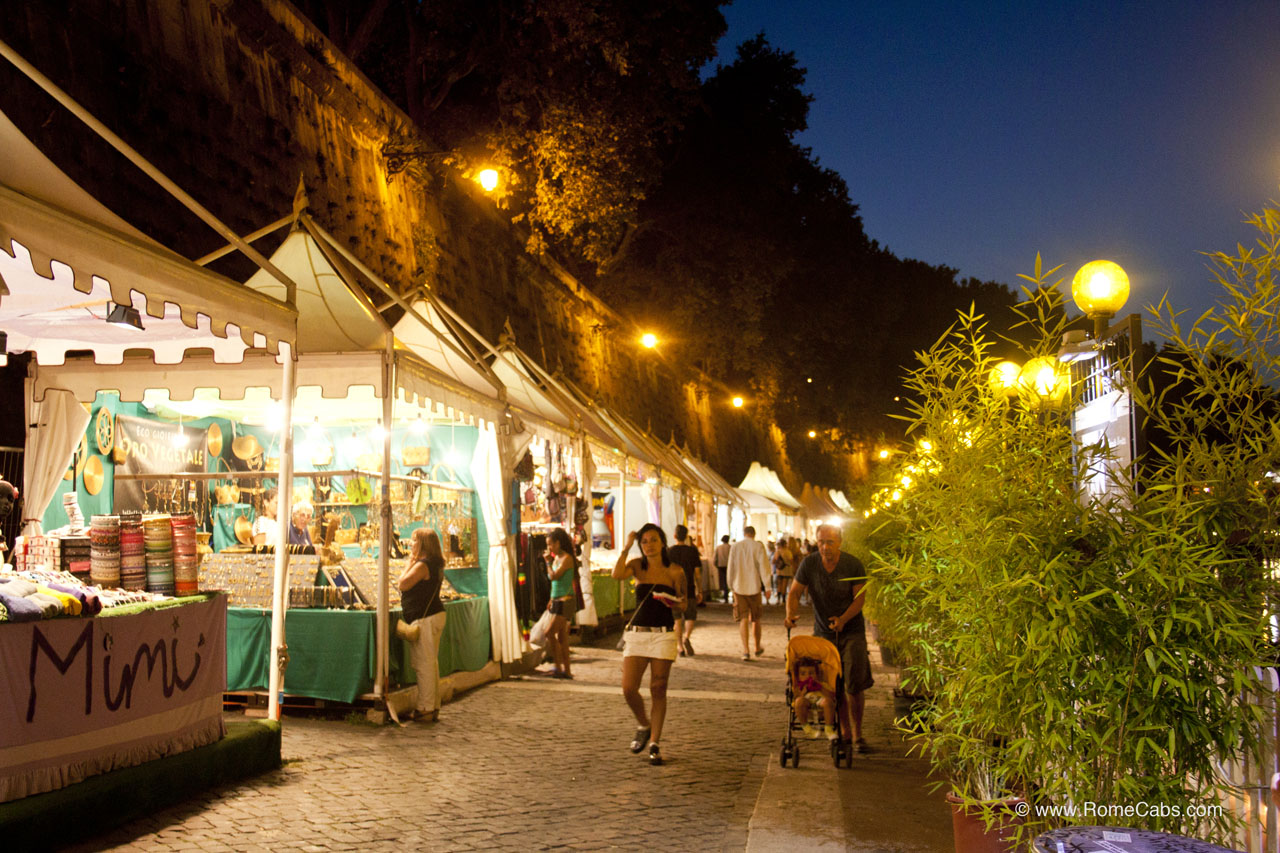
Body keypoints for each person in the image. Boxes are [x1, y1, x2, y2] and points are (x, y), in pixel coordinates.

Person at [785, 523, 873, 753]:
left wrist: (843, 619)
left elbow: (860, 599)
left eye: (830, 542)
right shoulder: (810, 563)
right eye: (821, 542)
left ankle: (858, 733)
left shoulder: (852, 564)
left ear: (840, 543)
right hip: (824, 633)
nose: (825, 547)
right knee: (833, 684)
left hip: (851, 631)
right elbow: (794, 592)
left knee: (853, 684)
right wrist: (790, 614)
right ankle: (844, 732)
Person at [613, 523, 687, 766]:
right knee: (628, 688)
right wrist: (625, 547)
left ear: (663, 542)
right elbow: (616, 575)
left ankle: (655, 742)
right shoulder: (636, 566)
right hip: (638, 634)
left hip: (663, 634)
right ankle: (643, 724)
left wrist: (673, 603)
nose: (649, 545)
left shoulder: (676, 571)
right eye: (644, 541)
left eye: (653, 540)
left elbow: (684, 604)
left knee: (658, 686)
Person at [398, 528, 447, 721]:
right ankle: (433, 705)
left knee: (423, 664)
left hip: (425, 618)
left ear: (423, 544)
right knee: (431, 663)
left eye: (414, 541)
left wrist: (409, 564)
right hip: (434, 615)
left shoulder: (423, 565)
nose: (411, 544)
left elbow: (403, 583)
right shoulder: (435, 563)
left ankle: (425, 708)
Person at [727, 526, 771, 661]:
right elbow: (764, 567)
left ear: (744, 533)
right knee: (756, 619)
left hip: (739, 587)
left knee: (743, 618)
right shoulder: (758, 546)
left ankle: (746, 650)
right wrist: (767, 587)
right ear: (754, 534)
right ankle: (757, 646)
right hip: (754, 587)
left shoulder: (735, 547)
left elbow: (731, 567)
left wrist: (730, 585)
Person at [543, 527, 576, 679]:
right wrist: (551, 598)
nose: (549, 548)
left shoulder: (567, 559)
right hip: (557, 600)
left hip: (565, 602)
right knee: (562, 638)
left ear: (558, 543)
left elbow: (554, 577)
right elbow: (555, 584)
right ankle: (565, 670)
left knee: (548, 632)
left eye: (550, 544)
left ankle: (558, 666)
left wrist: (548, 564)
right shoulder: (557, 558)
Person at [668, 524, 702, 656]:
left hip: (674, 589)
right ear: (686, 536)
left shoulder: (669, 551)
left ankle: (680, 646)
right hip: (690, 588)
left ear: (675, 536)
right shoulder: (692, 551)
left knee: (677, 619)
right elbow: (697, 573)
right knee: (690, 616)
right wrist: (700, 589)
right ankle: (687, 637)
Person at [792, 655, 838, 740]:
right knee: (799, 701)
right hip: (806, 711)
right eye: (803, 674)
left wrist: (820, 687)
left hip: (823, 711)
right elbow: (795, 700)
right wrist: (803, 693)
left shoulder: (823, 684)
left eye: (811, 673)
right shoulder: (799, 688)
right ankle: (807, 728)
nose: (808, 676)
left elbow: (832, 697)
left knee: (828, 701)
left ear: (817, 674)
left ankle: (828, 729)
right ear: (798, 677)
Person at [714, 534, 731, 602]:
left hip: (720, 566)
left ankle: (725, 594)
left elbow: (715, 558)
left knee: (723, 580)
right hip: (728, 566)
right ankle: (727, 592)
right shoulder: (730, 547)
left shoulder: (718, 547)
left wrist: (716, 565)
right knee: (728, 580)